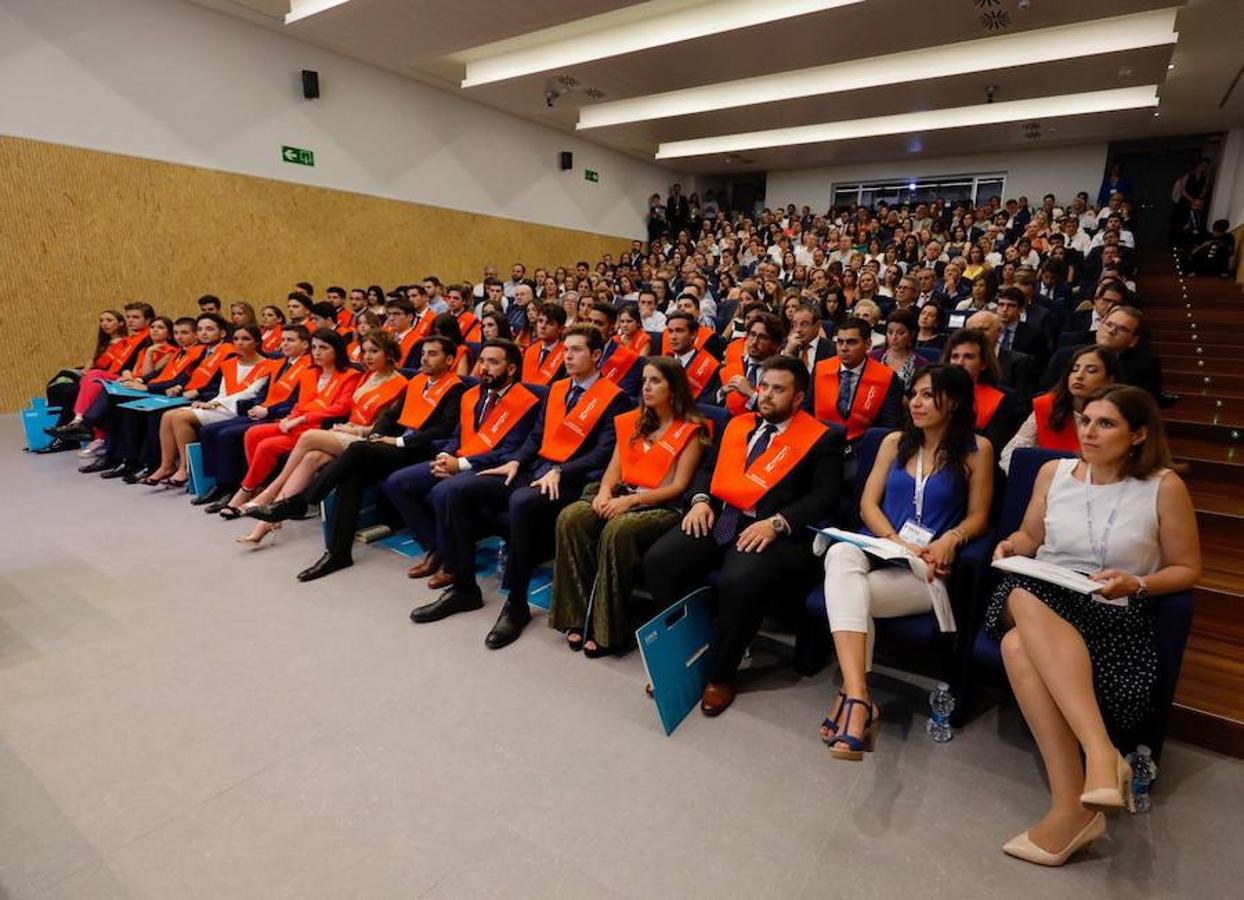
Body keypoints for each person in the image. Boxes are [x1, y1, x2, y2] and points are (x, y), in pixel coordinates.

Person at [989, 386, 1200, 866]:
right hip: (1043, 589)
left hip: (1113, 609)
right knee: (1022, 591)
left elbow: (1187, 569)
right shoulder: (1053, 472)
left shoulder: (1163, 485)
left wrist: (1137, 584)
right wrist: (1012, 545)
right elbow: (1029, 535)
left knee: (1018, 647)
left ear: (1138, 435)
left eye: (1106, 424)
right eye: (1086, 420)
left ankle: (1071, 809)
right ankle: (1101, 753)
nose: (1089, 431)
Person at [409, 326, 633, 650]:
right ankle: (464, 587)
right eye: (566, 350)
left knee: (522, 503)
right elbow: (536, 436)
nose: (568, 356)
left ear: (596, 355)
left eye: (577, 350)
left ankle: (516, 604)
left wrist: (560, 470)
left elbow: (604, 452)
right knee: (455, 490)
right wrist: (516, 460)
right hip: (533, 469)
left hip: (571, 480)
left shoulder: (615, 397)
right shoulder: (557, 389)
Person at [643, 357, 845, 715]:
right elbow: (708, 469)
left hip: (769, 529)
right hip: (721, 515)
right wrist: (700, 500)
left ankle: (721, 675)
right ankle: (680, 653)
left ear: (798, 398)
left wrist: (778, 522)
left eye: (777, 389)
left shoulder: (820, 438)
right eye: (763, 386)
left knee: (740, 581)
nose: (765, 396)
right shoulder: (738, 425)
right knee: (661, 560)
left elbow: (824, 497)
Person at [819, 365, 992, 759]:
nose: (916, 402)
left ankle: (851, 697)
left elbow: (979, 516)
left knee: (847, 596)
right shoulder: (894, 442)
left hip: (926, 572)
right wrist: (897, 543)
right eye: (913, 394)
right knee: (840, 553)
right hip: (884, 552)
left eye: (929, 395)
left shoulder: (976, 449)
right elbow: (867, 503)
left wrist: (952, 537)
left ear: (956, 401)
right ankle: (861, 697)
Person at [248, 335, 466, 577]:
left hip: (421, 450)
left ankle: (300, 502)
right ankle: (338, 553)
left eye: (432, 354)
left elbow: (443, 430)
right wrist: (378, 435)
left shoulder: (456, 388)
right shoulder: (419, 381)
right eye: (423, 353)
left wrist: (398, 440)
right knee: (352, 474)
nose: (424, 358)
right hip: (393, 446)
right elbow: (390, 417)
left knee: (357, 450)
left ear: (449, 359)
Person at [549, 358, 707, 655]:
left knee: (618, 530)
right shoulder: (634, 421)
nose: (646, 387)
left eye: (655, 381)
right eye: (645, 380)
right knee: (571, 518)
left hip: (661, 505)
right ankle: (576, 614)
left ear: (673, 389)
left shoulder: (692, 430)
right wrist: (605, 493)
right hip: (623, 493)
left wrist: (629, 501)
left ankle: (608, 628)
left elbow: (678, 486)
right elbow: (614, 469)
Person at [383, 339, 541, 586]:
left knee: (443, 491)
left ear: (510, 369)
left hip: (493, 469)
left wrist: (462, 464)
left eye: (493, 362)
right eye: (482, 361)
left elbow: (509, 452)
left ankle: (452, 564)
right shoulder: (473, 394)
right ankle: (436, 548)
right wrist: (446, 455)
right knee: (397, 482)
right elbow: (458, 434)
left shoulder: (526, 402)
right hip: (459, 459)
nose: (484, 368)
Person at [235, 330, 410, 548]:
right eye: (364, 351)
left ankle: (268, 493)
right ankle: (265, 523)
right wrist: (345, 427)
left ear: (390, 353)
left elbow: (384, 428)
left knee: (308, 437)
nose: (367, 357)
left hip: (368, 441)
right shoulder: (368, 375)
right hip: (346, 432)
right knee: (311, 457)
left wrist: (352, 430)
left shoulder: (400, 383)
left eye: (374, 351)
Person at [217, 328, 361, 518]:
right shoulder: (310, 373)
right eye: (314, 347)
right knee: (253, 433)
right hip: (297, 423)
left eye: (323, 348)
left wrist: (301, 418)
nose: (317, 352)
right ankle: (259, 486)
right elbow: (300, 404)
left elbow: (340, 408)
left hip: (318, 428)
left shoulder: (349, 375)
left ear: (337, 350)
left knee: (266, 446)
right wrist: (290, 418)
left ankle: (245, 491)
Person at [193, 325, 314, 510]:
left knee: (227, 434)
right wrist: (258, 404)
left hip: (278, 416)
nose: (285, 344)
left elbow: (296, 401)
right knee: (208, 431)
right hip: (263, 411)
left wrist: (268, 411)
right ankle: (218, 483)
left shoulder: (308, 367)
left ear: (305, 344)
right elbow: (264, 391)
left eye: (290, 340)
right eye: (283, 340)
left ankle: (232, 488)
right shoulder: (281, 363)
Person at [146, 324, 279, 486]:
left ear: (257, 342)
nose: (239, 343)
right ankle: (166, 466)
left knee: (181, 418)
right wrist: (209, 403)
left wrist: (214, 404)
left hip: (236, 408)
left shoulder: (269, 365)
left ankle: (185, 468)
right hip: (220, 404)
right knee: (168, 415)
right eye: (236, 339)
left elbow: (251, 393)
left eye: (246, 339)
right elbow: (223, 391)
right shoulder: (230, 363)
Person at [1000, 346, 1120, 473]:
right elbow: (1010, 456)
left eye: (1091, 371)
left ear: (1110, 380)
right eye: (1074, 370)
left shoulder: (1118, 415)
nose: (1079, 376)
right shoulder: (1047, 406)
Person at [805, 317, 903, 455]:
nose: (844, 348)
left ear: (867, 344)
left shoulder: (887, 377)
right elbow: (806, 412)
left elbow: (890, 427)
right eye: (840, 342)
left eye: (851, 342)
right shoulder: (821, 369)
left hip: (862, 450)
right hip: (821, 445)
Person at [1040, 305, 1163, 400]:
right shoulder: (1065, 356)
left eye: (1122, 329)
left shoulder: (1145, 365)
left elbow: (1143, 405)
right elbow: (1044, 393)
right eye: (1109, 324)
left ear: (1133, 340)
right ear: (1099, 325)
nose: (1111, 331)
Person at [942, 328, 1019, 453]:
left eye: (968, 357)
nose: (959, 363)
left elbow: (992, 448)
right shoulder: (934, 392)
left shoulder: (1001, 401)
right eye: (955, 356)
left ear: (983, 364)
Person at [718, 312, 783, 416]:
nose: (754, 342)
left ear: (775, 344)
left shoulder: (782, 373)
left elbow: (778, 413)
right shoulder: (731, 368)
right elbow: (711, 404)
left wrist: (751, 393)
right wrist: (721, 393)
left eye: (762, 337)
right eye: (752, 335)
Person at [664, 311, 722, 402]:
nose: (673, 337)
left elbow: (707, 405)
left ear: (693, 334)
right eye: (670, 331)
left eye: (679, 331)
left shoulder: (710, 366)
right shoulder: (663, 362)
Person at [869, 308, 928, 390]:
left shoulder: (921, 364)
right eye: (890, 332)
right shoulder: (872, 357)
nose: (894, 337)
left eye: (901, 333)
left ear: (912, 334)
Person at [521, 302, 567, 385]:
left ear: (561, 328)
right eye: (540, 321)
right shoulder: (530, 350)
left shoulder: (567, 354)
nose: (542, 326)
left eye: (549, 323)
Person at [782, 301, 833, 375]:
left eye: (804, 324)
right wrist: (788, 353)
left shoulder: (831, 349)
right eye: (795, 325)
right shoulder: (787, 348)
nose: (798, 330)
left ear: (817, 326)